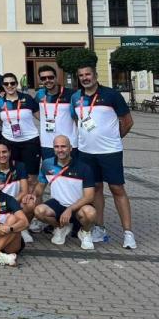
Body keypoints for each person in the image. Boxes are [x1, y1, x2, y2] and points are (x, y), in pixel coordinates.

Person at [71, 64, 135, 249]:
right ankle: (99, 228)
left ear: (95, 75)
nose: (85, 78)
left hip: (110, 152)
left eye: (88, 74)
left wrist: (115, 137)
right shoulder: (76, 97)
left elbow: (128, 121)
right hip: (86, 153)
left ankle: (128, 233)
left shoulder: (111, 94)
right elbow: (77, 121)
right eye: (81, 75)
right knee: (96, 189)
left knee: (117, 189)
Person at [34, 134, 98, 250]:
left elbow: (89, 197)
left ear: (70, 148)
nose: (60, 150)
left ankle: (85, 232)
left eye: (63, 147)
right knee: (39, 211)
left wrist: (70, 209)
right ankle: (60, 227)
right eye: (56, 147)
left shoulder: (84, 168)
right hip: (57, 204)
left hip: (78, 206)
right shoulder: (47, 164)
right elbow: (40, 186)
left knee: (90, 213)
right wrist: (32, 195)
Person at [0, 141, 37, 244]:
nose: (1, 155)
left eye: (4, 152)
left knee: (30, 203)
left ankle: (22, 228)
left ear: (9, 152)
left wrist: (10, 204)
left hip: (16, 203)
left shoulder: (19, 166)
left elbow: (24, 191)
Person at [0, 73, 42, 186]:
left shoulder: (27, 98)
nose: (9, 86)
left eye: (12, 83)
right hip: (9, 142)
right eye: (6, 83)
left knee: (31, 178)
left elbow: (40, 117)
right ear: (2, 85)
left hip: (30, 142)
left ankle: (32, 202)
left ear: (17, 84)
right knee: (14, 177)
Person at [35, 65, 76, 163]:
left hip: (69, 143)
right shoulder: (40, 95)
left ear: (56, 77)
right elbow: (32, 109)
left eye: (50, 77)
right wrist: (44, 119)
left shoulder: (71, 94)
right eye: (43, 78)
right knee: (52, 175)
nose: (47, 80)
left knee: (71, 175)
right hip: (47, 144)